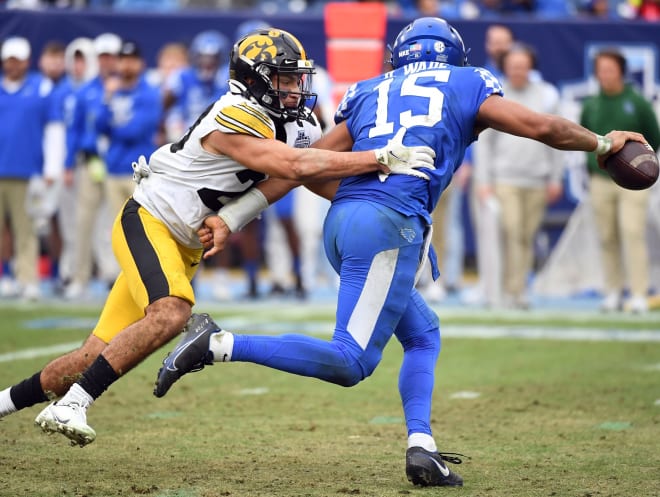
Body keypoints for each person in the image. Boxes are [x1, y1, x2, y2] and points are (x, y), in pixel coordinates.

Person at [153, 17, 651, 488]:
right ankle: (218, 345)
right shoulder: (468, 80)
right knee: (350, 362)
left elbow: (309, 170)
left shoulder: (370, 90)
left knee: (424, 333)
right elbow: (540, 127)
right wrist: (603, 143)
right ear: (454, 55)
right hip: (386, 225)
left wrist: (236, 215)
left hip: (345, 222)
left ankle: (422, 446)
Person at [0, 28, 432, 449]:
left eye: (297, 78)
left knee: (84, 359)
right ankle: (75, 404)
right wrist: (376, 158)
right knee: (172, 312)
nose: (295, 88)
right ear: (253, 80)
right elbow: (296, 166)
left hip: (183, 244)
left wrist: (388, 204)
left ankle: (5, 403)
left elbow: (317, 180)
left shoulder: (297, 123)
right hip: (150, 220)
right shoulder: (232, 115)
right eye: (283, 78)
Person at [474, 42, 564, 309]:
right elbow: (484, 144)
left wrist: (556, 177)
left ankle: (519, 290)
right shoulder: (495, 96)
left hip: (536, 178)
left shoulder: (547, 95)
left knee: (526, 235)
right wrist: (485, 180)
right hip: (505, 178)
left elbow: (557, 138)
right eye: (513, 66)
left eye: (522, 65)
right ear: (505, 67)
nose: (518, 70)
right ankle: (503, 290)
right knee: (511, 232)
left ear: (530, 67)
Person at [580, 48, 660, 313]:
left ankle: (638, 292)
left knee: (632, 232)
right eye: (601, 69)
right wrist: (595, 167)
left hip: (633, 182)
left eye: (610, 69)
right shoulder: (591, 104)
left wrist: (637, 166)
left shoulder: (636, 102)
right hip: (601, 179)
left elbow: (654, 136)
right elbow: (583, 138)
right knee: (606, 236)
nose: (605, 75)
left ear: (621, 72)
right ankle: (613, 291)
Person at [0, 36, 65, 301]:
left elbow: (53, 130)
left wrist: (51, 167)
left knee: (25, 228)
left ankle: (28, 279)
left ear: (26, 61)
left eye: (17, 60)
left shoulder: (42, 89)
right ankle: (5, 276)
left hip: (27, 170)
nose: (12, 65)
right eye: (9, 60)